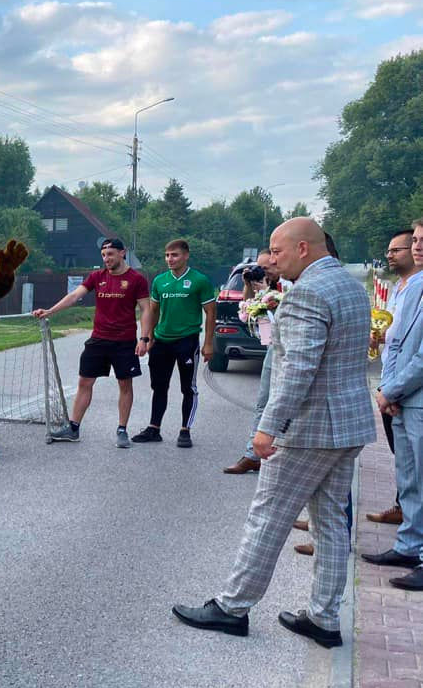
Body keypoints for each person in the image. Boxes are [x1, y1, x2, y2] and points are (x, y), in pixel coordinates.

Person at [172, 218, 376, 648]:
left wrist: (267, 426)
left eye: (277, 251)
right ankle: (324, 618)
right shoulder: (351, 286)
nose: (271, 261)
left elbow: (299, 368)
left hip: (308, 429)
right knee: (330, 524)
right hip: (349, 425)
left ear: (303, 248)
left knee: (267, 516)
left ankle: (232, 608)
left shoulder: (307, 293)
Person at [34, 237, 150, 447]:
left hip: (124, 341)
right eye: (103, 255)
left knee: (125, 384)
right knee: (84, 382)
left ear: (122, 253)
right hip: (98, 339)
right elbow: (74, 296)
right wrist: (49, 311)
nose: (106, 259)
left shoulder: (136, 279)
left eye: (110, 254)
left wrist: (144, 338)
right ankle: (73, 428)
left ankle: (122, 430)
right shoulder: (97, 276)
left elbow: (146, 310)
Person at [365, 220, 423, 590]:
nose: (418, 246)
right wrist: (389, 390)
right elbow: (398, 344)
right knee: (410, 480)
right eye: (415, 240)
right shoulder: (410, 287)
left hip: (414, 396)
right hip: (405, 398)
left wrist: (392, 390)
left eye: (422, 241)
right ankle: (408, 546)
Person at [133, 239, 216, 447]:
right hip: (162, 341)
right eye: (167, 255)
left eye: (175, 255)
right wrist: (148, 337)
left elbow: (211, 313)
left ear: (186, 256)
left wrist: (208, 343)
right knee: (159, 386)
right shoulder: (160, 281)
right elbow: (153, 311)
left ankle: (185, 430)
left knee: (188, 387)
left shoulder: (199, 280)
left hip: (187, 340)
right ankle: (154, 428)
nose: (170, 259)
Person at [224, 249, 286, 474]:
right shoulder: (268, 285)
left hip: (288, 350)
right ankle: (253, 455)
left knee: (281, 404)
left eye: (266, 267)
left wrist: (269, 295)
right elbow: (250, 306)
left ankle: (273, 455)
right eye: (259, 268)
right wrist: (251, 286)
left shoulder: (289, 284)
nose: (263, 271)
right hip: (272, 348)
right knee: (264, 402)